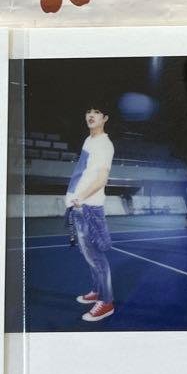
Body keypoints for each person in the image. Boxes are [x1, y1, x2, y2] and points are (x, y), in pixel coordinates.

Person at [64, 104, 117, 323]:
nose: (91, 115)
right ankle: (97, 290)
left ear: (105, 118)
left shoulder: (104, 145)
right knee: (88, 255)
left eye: (96, 112)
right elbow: (84, 174)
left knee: (96, 257)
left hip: (89, 208)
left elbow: (101, 179)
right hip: (80, 206)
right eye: (88, 112)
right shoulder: (89, 141)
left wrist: (80, 197)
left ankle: (106, 302)